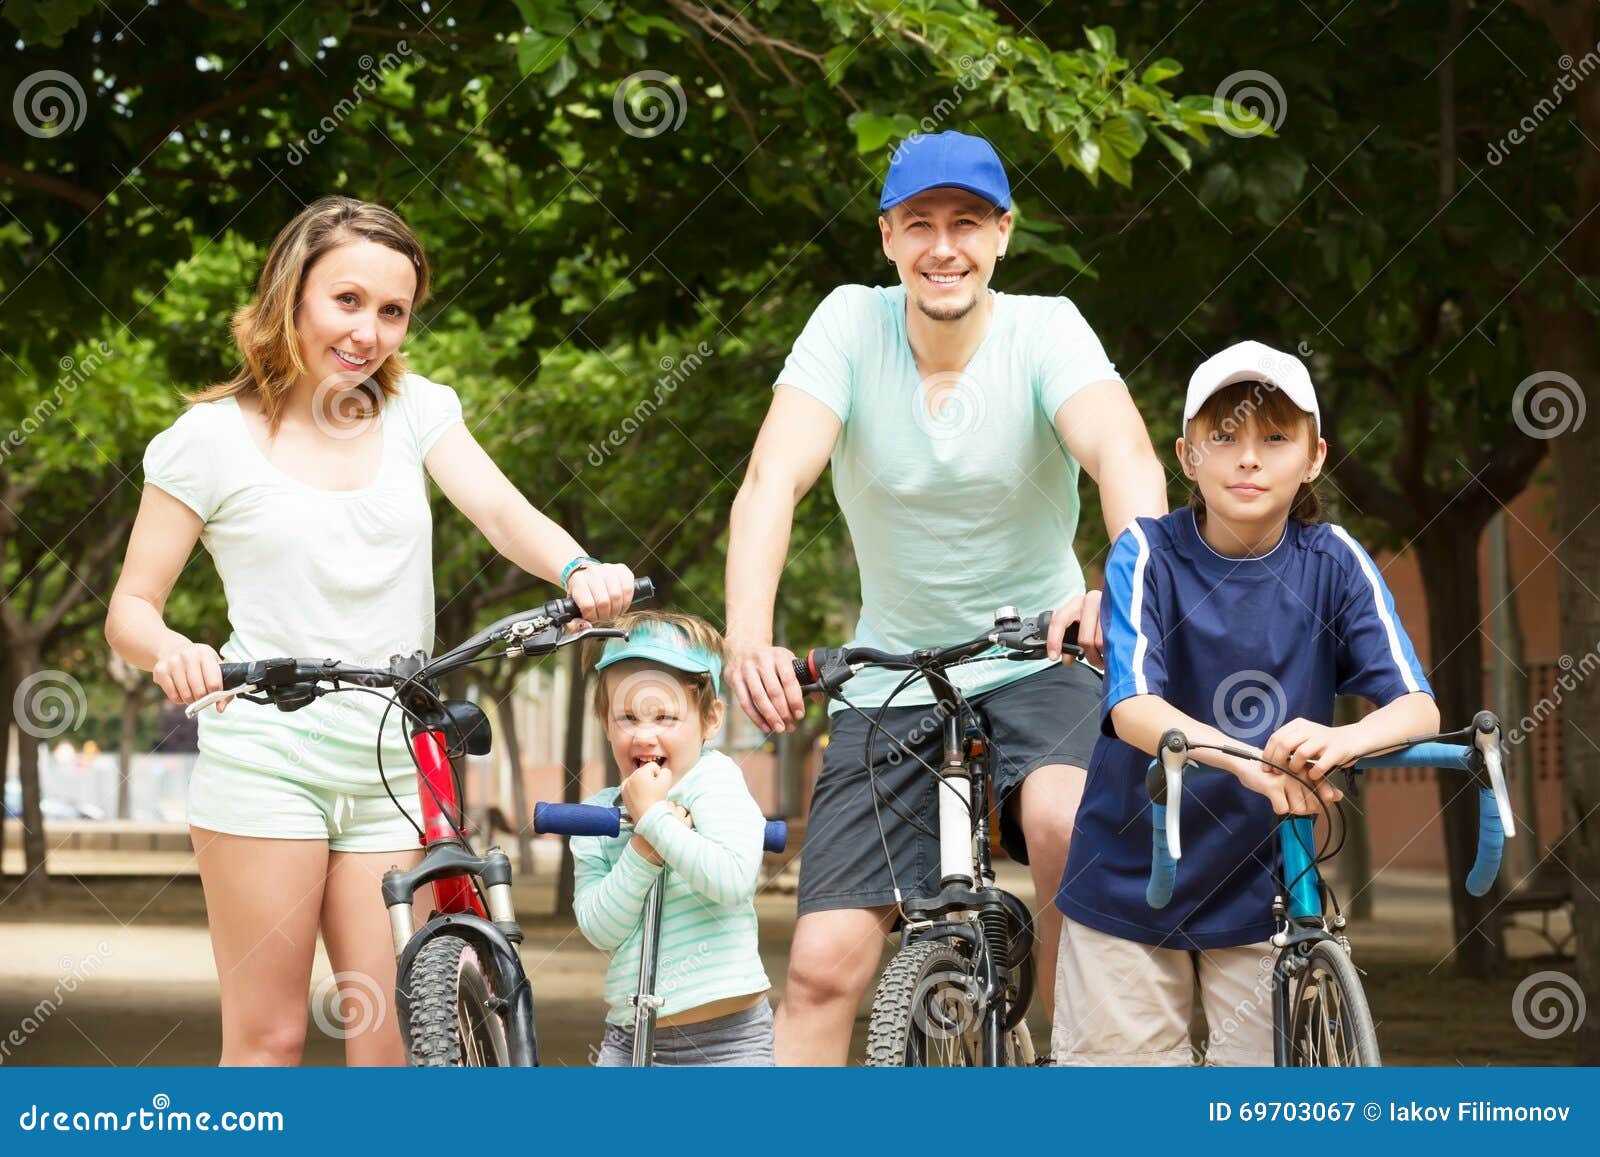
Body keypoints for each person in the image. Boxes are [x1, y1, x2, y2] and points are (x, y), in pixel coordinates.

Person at [104, 196, 637, 1066]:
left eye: (393, 311)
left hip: (394, 761)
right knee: (270, 1037)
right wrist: (175, 650)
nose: (369, 332)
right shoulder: (207, 440)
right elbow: (131, 607)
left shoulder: (418, 410)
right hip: (267, 761)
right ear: (291, 295)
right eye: (347, 301)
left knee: (389, 1036)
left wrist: (580, 568)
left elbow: (502, 512)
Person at [725, 130, 1168, 1063]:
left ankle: (1079, 1061)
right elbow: (771, 479)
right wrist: (747, 637)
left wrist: (1119, 594)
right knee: (818, 966)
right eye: (919, 223)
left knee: (1056, 818)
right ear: (887, 238)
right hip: (893, 675)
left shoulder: (1046, 327)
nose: (943, 246)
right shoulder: (848, 324)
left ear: (1003, 234)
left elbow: (1124, 454)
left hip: (1043, 657)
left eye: (966, 223)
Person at [1052, 341, 1440, 1065]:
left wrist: (1339, 741)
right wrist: (1246, 760)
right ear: (1188, 455)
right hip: (1132, 871)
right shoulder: (1147, 551)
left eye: (1274, 437)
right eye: (1223, 437)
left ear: (1315, 456)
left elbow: (1416, 706)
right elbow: (1134, 705)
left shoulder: (1336, 561)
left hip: (1268, 884)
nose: (1248, 458)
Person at [572, 612, 774, 1066]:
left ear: (709, 719)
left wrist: (655, 820)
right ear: (605, 724)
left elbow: (732, 879)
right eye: (626, 716)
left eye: (664, 716)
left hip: (729, 1042)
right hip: (630, 1038)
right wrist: (644, 848)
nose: (645, 734)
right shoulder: (598, 816)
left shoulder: (715, 781)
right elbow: (600, 929)